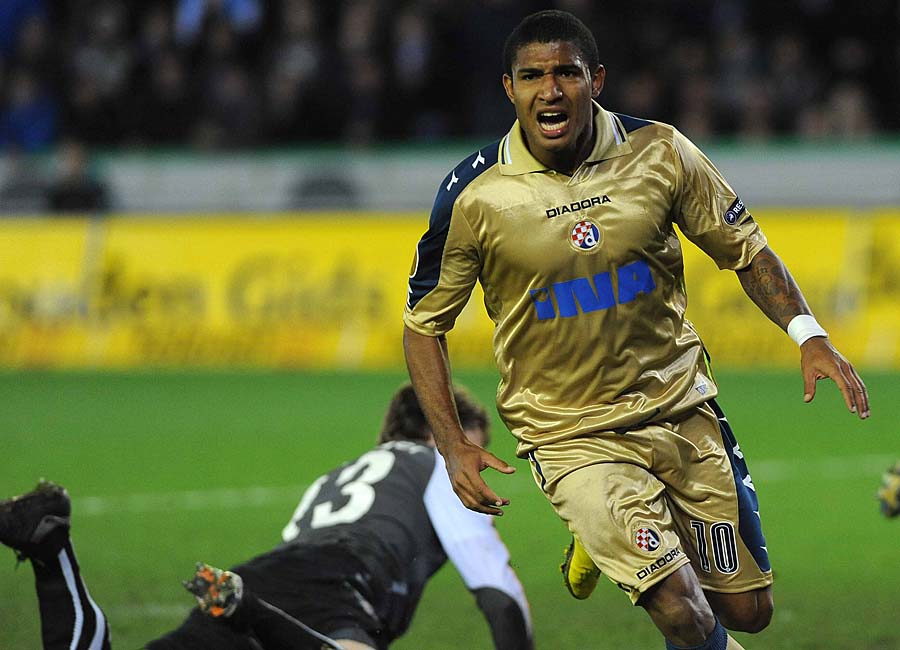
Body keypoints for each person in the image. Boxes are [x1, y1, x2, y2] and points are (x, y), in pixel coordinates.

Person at [402, 9, 870, 650]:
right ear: (508, 88)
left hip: (680, 411)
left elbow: (745, 247)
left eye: (566, 72)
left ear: (596, 79)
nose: (551, 89)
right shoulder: (474, 194)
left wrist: (808, 334)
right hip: (570, 434)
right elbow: (424, 324)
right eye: (533, 75)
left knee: (746, 611)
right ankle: (603, 517)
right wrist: (452, 444)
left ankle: (597, 545)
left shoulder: (659, 151)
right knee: (681, 609)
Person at [0, 384, 533, 650]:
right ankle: (257, 617)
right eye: (475, 454)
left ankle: (53, 556)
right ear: (445, 437)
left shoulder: (336, 476)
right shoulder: (443, 464)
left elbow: (296, 553)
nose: (476, 477)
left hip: (257, 575)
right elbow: (499, 596)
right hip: (336, 593)